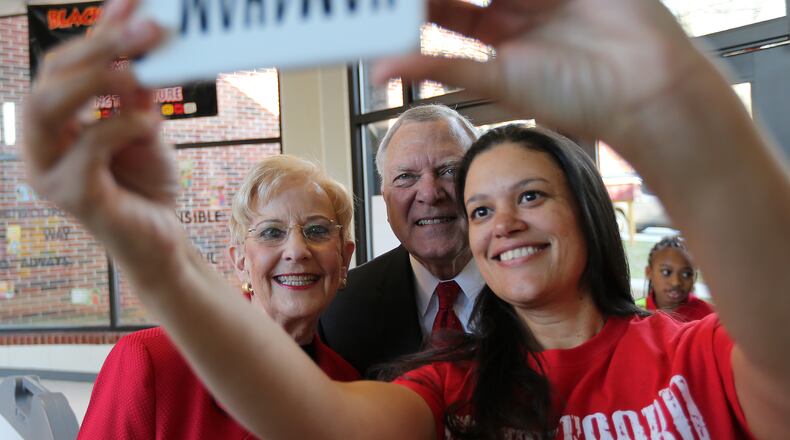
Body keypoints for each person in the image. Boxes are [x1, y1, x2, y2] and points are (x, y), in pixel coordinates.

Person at [22, 0, 790, 438]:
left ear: (587, 207)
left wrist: (694, 123)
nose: (501, 224)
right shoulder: (452, 385)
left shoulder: (697, 352)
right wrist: (155, 253)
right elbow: (312, 423)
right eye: (482, 209)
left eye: (530, 196)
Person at [77, 155, 359, 439]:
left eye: (317, 230)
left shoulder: (350, 386)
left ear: (344, 258)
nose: (297, 251)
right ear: (240, 263)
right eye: (271, 232)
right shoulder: (152, 361)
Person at [319, 104, 486, 376]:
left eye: (449, 170)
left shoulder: (536, 286)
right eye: (406, 177)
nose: (430, 194)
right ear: (385, 199)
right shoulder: (339, 311)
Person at [639, 235, 715, 322]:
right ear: (649, 272)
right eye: (666, 272)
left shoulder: (708, 317)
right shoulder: (635, 313)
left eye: (686, 274)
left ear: (695, 277)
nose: (676, 282)